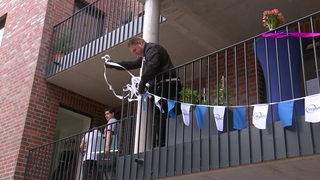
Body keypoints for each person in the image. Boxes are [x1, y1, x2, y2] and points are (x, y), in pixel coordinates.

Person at [106, 36, 181, 147]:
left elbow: (152, 66)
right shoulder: (146, 55)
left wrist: (142, 84)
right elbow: (131, 64)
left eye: (135, 50)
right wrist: (113, 64)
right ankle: (167, 141)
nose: (135, 53)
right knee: (167, 112)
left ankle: (161, 143)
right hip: (164, 85)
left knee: (159, 114)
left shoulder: (152, 49)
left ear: (140, 43)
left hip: (166, 84)